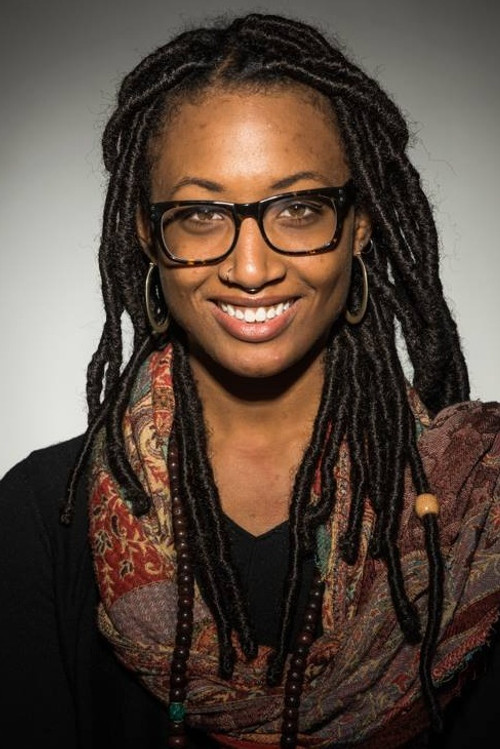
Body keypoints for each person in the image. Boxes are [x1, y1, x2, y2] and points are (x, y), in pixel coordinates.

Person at [1, 11, 499, 749]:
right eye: (201, 214)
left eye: (298, 208)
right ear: (147, 233)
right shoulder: (41, 518)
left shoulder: (471, 509)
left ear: (360, 222)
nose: (252, 267)